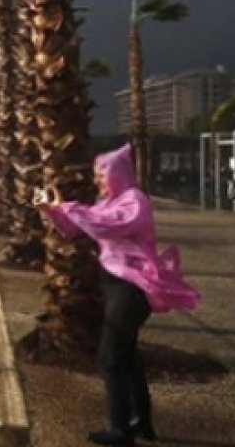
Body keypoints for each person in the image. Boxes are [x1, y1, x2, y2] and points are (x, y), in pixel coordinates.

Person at [35, 143, 200, 446]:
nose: (97, 179)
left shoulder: (134, 201)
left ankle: (120, 428)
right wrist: (53, 211)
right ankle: (142, 422)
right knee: (127, 356)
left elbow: (105, 228)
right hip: (114, 286)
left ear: (118, 173)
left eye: (101, 174)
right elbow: (75, 229)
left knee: (110, 357)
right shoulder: (109, 201)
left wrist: (69, 207)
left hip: (131, 288)